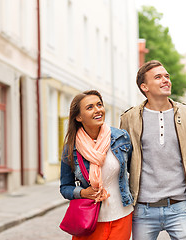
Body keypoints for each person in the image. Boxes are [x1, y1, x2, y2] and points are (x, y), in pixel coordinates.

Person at [120, 60, 186, 240]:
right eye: (158, 77)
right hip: (143, 209)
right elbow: (123, 162)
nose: (165, 80)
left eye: (166, 76)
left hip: (180, 206)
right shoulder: (129, 118)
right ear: (144, 86)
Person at [60, 90, 133, 240]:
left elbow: (135, 171)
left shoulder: (121, 138)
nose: (98, 110)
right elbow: (65, 187)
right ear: (79, 117)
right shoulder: (71, 148)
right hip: (88, 221)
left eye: (99, 105)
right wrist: (82, 193)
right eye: (90, 107)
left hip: (121, 216)